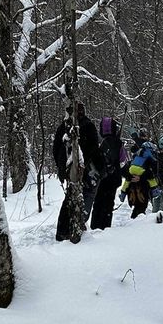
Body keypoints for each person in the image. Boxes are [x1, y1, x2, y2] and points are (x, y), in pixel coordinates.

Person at [52, 103, 102, 240]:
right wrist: (100, 168)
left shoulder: (64, 127)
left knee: (70, 198)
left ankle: (64, 231)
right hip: (82, 170)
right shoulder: (85, 125)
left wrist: (62, 168)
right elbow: (94, 149)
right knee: (82, 198)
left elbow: (56, 150)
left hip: (70, 170)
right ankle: (74, 228)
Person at [120, 141, 160, 219]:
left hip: (132, 186)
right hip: (142, 186)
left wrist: (130, 177)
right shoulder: (150, 158)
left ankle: (123, 193)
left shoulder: (135, 158)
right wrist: (140, 178)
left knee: (137, 206)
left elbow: (123, 171)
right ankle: (137, 225)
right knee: (141, 206)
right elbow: (151, 174)